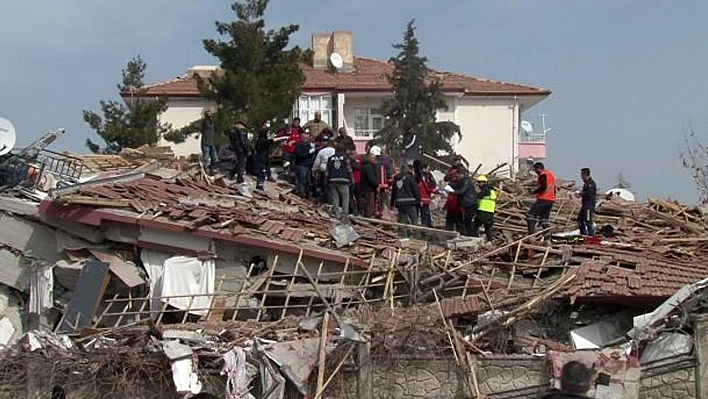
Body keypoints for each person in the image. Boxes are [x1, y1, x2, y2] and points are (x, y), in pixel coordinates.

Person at [391, 163, 421, 236]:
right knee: (414, 220)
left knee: (402, 221)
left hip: (400, 202)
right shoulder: (410, 177)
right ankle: (417, 235)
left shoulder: (396, 178)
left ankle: (404, 236)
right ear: (407, 169)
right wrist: (418, 199)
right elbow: (415, 189)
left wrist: (392, 203)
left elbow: (394, 191)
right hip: (410, 201)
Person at [444, 171, 477, 235]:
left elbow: (461, 192)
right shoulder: (460, 182)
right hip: (459, 206)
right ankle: (466, 233)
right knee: (460, 221)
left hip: (463, 205)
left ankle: (469, 234)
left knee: (465, 221)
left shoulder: (465, 182)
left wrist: (452, 192)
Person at [325, 145, 354, 218]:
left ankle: (337, 215)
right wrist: (352, 180)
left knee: (335, 199)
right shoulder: (345, 158)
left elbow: (327, 171)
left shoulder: (330, 158)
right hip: (343, 180)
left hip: (332, 180)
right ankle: (345, 215)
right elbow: (349, 170)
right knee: (345, 198)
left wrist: (326, 181)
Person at [528, 162, 556, 234]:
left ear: (538, 168)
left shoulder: (542, 175)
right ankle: (546, 236)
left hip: (543, 199)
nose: (535, 172)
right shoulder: (551, 175)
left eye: (535, 170)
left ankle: (531, 233)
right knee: (544, 219)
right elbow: (554, 188)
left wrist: (534, 192)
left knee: (531, 214)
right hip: (551, 200)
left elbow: (543, 187)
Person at [470, 175, 498, 242]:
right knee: (488, 228)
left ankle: (473, 239)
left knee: (474, 226)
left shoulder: (485, 190)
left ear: (483, 182)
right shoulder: (493, 190)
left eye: (479, 183)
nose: (478, 184)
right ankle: (490, 241)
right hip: (490, 212)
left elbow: (478, 197)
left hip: (482, 211)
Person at [312, 138, 336, 203]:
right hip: (334, 171)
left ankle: (327, 201)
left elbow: (317, 163)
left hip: (324, 170)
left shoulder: (322, 151)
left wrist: (314, 170)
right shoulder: (335, 151)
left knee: (325, 187)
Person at [253, 123, 275, 191]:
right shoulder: (262, 141)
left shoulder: (262, 141)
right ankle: (260, 186)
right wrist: (272, 139)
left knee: (263, 172)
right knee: (261, 173)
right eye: (267, 133)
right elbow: (270, 142)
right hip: (261, 159)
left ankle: (260, 185)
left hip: (264, 159)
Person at [294, 132, 316, 198]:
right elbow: (299, 155)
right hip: (301, 165)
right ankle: (302, 195)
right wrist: (309, 152)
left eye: (307, 138)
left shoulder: (310, 145)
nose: (306, 139)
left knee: (308, 181)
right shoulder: (299, 145)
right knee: (302, 181)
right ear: (301, 138)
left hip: (309, 166)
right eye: (305, 138)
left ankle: (308, 195)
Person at [416, 162, 437, 227]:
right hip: (423, 198)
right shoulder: (422, 176)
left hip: (426, 197)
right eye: (428, 169)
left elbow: (433, 184)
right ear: (423, 168)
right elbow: (427, 186)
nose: (429, 170)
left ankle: (428, 226)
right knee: (424, 214)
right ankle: (425, 228)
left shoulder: (427, 175)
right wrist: (434, 190)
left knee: (426, 213)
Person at [578, 168, 597, 236]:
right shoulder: (586, 183)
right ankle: (583, 234)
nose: (581, 177)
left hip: (589, 206)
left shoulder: (591, 184)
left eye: (582, 175)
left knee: (588, 221)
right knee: (580, 220)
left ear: (585, 175)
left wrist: (581, 193)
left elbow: (589, 193)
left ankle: (591, 235)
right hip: (584, 205)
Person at [361, 153, 380, 218]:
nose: (374, 159)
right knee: (370, 204)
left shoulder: (365, 166)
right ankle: (368, 216)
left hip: (365, 188)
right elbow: (371, 178)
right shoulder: (368, 167)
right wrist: (376, 185)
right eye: (373, 158)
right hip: (368, 189)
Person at [200, 109, 218, 175]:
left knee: (215, 158)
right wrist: (209, 113)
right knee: (206, 158)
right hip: (206, 141)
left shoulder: (212, 122)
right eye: (209, 113)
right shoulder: (205, 122)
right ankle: (206, 171)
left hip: (212, 142)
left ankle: (211, 170)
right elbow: (202, 129)